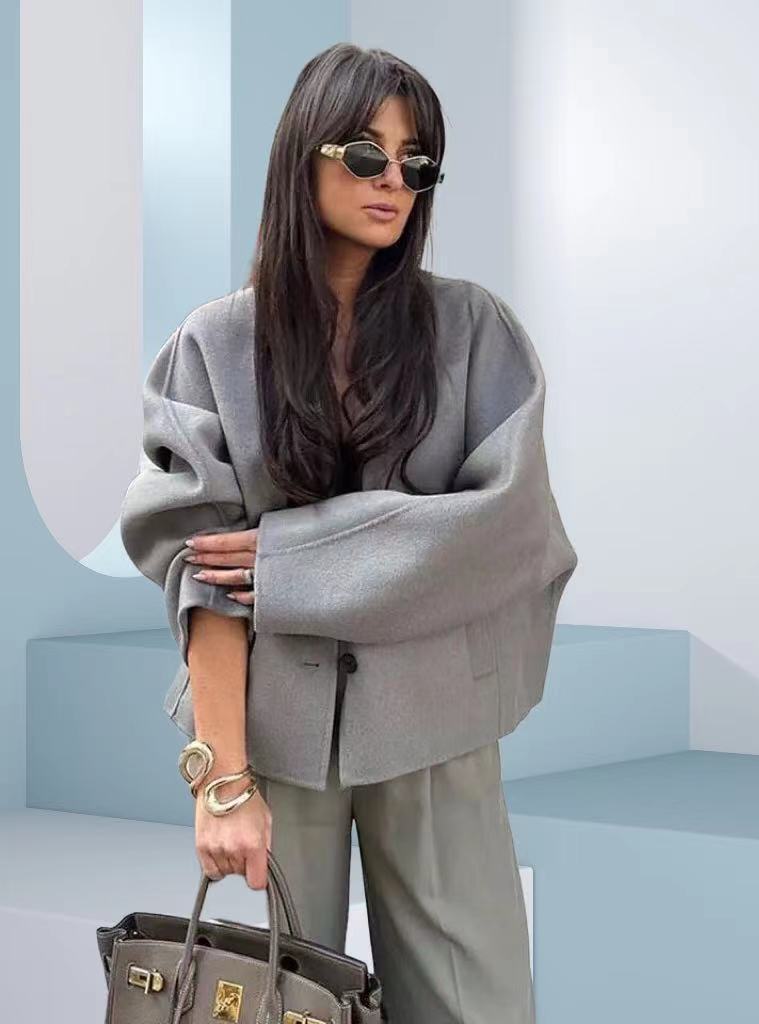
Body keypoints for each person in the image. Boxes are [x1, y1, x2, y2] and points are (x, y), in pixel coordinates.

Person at [120, 42, 578, 1023]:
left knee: (477, 1006)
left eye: (417, 162)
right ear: (305, 157)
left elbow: (508, 531)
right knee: (269, 1004)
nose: (393, 181)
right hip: (273, 738)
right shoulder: (213, 346)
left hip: (439, 729)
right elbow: (204, 575)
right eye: (366, 154)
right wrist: (223, 779)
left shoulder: (474, 332)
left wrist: (293, 559)